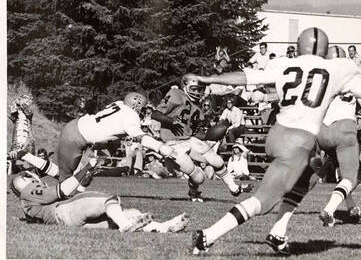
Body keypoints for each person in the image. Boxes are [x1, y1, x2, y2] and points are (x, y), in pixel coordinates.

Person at [188, 27, 361, 255]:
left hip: (278, 134)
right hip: (298, 142)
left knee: (308, 176)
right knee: (263, 202)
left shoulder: (284, 64)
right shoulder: (337, 68)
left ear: (299, 45)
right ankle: (207, 236)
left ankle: (278, 232)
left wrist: (208, 78)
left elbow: (245, 77)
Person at [264, 45, 361, 255]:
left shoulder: (321, 77)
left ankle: (350, 208)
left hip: (321, 131)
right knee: (352, 175)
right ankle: (330, 210)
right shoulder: (349, 77)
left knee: (317, 172)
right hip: (343, 130)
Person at [8, 151, 189, 233]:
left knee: (129, 216)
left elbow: (70, 192)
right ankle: (126, 226)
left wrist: (83, 180)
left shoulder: (29, 204)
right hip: (63, 211)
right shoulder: (29, 191)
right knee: (110, 200)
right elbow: (62, 191)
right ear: (25, 180)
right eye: (32, 177)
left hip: (66, 221)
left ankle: (164, 228)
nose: (36, 179)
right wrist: (87, 166)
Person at [151, 76, 252, 202]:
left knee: (217, 161)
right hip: (172, 143)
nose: (197, 92)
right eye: (194, 88)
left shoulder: (198, 109)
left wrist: (213, 135)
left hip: (188, 139)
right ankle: (193, 192)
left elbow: (196, 133)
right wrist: (171, 121)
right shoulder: (176, 94)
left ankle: (234, 188)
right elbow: (155, 113)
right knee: (199, 178)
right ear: (185, 86)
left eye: (200, 89)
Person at [57, 92, 179, 192]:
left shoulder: (119, 104)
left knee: (81, 175)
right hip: (76, 136)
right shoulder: (131, 115)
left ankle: (76, 196)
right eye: (143, 109)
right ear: (135, 106)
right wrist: (161, 147)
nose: (144, 113)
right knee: (65, 181)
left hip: (79, 128)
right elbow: (141, 137)